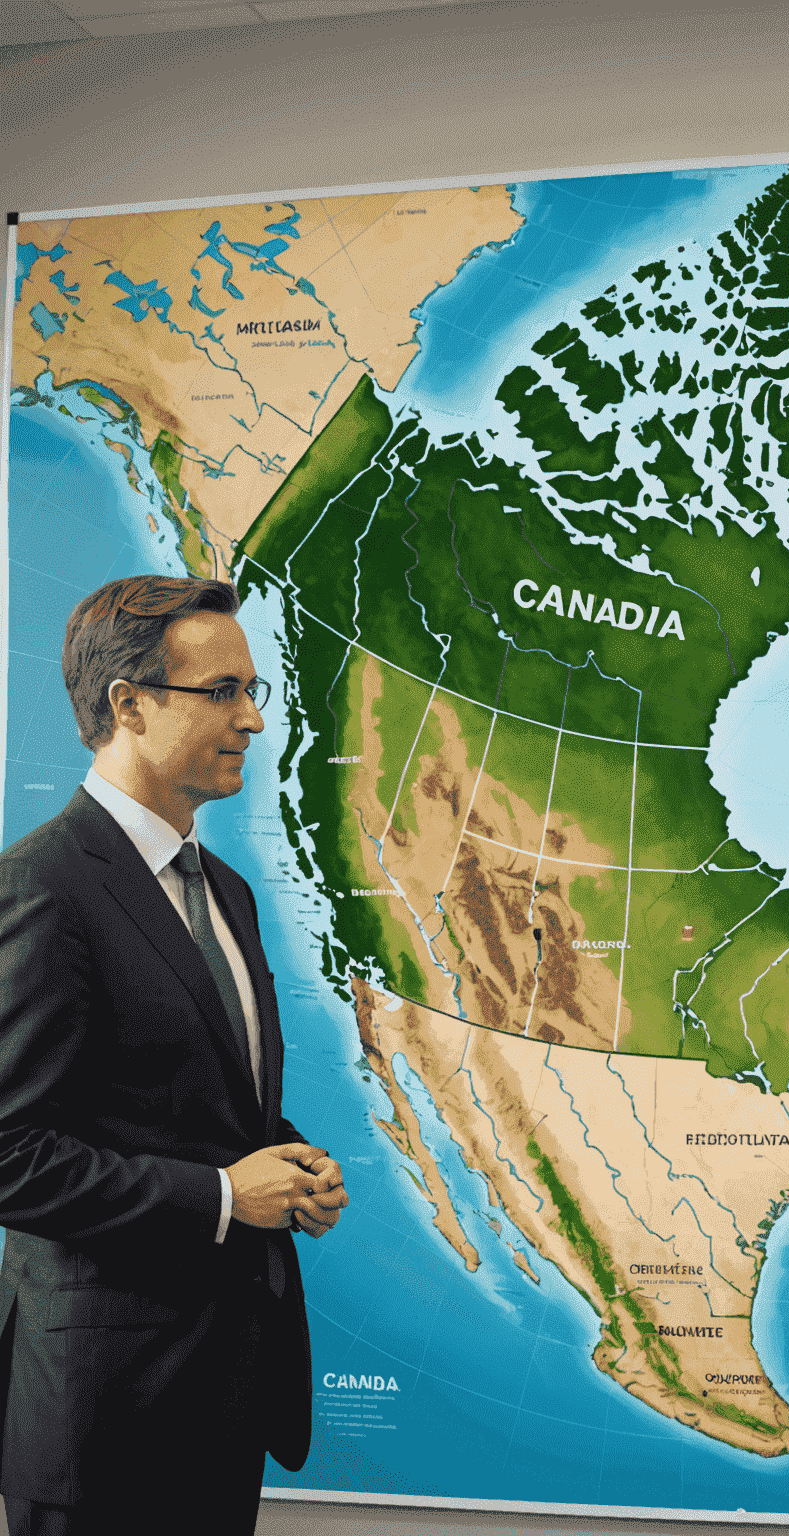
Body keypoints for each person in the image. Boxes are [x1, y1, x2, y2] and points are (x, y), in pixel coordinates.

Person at [0, 576, 349, 1536]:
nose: (251, 719)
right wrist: (231, 1198)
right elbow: (10, 1156)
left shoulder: (226, 891)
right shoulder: (42, 889)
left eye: (252, 691)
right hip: (102, 1416)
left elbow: (204, 1104)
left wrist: (292, 1160)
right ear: (130, 704)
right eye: (222, 691)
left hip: (224, 1400)